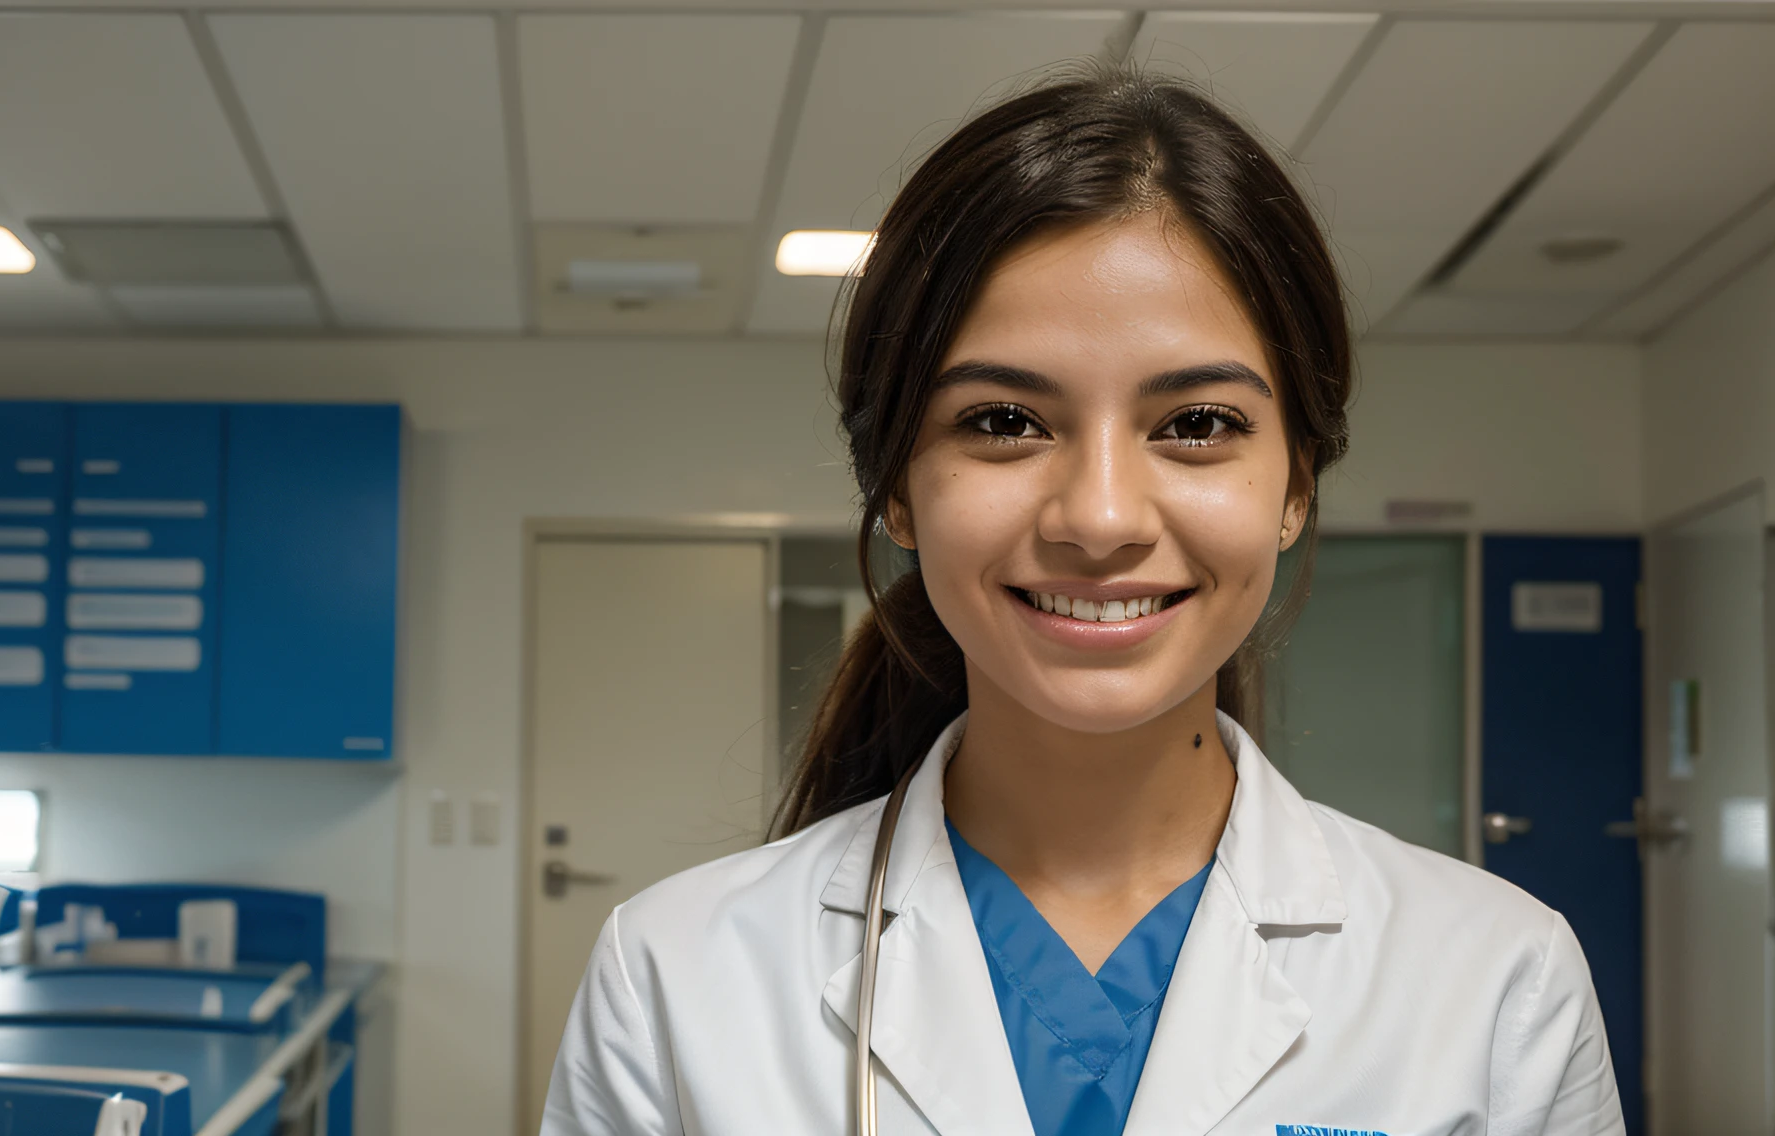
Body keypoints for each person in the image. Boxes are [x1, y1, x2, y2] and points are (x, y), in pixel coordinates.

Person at [541, 64, 1621, 1136]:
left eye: (1195, 423)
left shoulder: (1494, 983)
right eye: (1004, 420)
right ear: (898, 492)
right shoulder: (672, 977)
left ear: (1294, 485)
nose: (1099, 518)